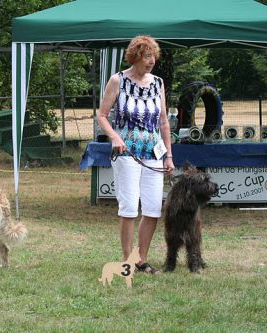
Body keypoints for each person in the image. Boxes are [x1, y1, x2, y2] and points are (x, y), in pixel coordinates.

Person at [97, 35, 175, 274]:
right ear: (135, 57)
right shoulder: (117, 80)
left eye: (153, 56)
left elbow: (163, 122)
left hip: (153, 153)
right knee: (129, 206)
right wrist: (115, 136)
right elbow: (101, 115)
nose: (151, 61)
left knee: (152, 208)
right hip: (127, 153)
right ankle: (128, 259)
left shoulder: (158, 83)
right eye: (146, 56)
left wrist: (168, 156)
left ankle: (142, 258)